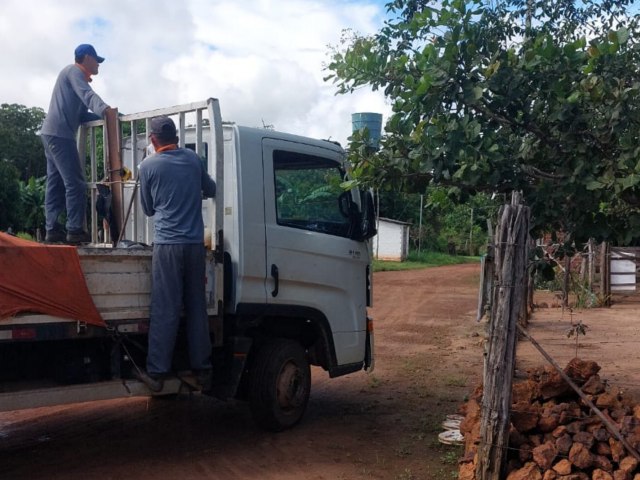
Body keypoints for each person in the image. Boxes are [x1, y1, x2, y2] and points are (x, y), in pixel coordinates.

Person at [136, 116, 216, 392]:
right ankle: (203, 370)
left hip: (168, 245)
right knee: (196, 308)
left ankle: (157, 374)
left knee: (166, 308)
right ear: (176, 138)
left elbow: (147, 209)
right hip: (195, 244)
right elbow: (211, 188)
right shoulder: (194, 160)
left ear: (153, 139)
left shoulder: (147, 166)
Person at [41, 44, 112, 244]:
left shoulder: (72, 76)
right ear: (87, 57)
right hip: (60, 135)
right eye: (96, 60)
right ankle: (74, 230)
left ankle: (52, 230)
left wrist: (112, 116)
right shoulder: (74, 72)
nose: (98, 64)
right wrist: (106, 111)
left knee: (55, 184)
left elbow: (81, 114)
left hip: (51, 134)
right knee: (75, 184)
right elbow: (88, 95)